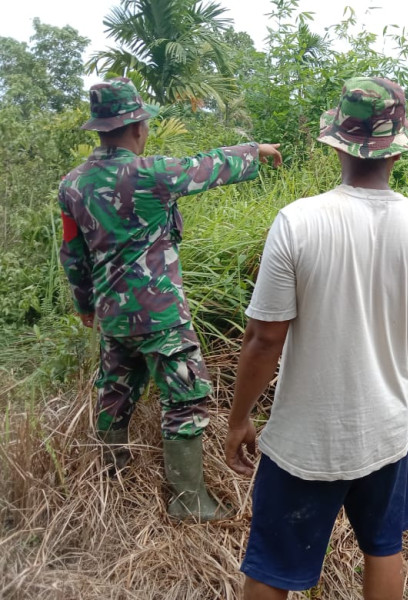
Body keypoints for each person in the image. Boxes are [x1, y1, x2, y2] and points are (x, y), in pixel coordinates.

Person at [224, 77, 408, 600]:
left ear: (336, 143)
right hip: (385, 433)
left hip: (306, 437)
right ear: (397, 149)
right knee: (383, 547)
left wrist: (239, 417)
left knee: (272, 565)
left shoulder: (298, 222)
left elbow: (264, 339)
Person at [58, 77, 282, 522]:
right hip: (161, 314)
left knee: (115, 395)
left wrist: (86, 305)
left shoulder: (72, 185)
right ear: (137, 126)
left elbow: (73, 253)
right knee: (187, 397)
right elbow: (205, 167)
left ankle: (110, 482)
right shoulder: (152, 173)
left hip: (112, 315)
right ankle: (189, 501)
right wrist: (253, 150)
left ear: (100, 128)